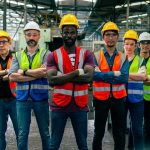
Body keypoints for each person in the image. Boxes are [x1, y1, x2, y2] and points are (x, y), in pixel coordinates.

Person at [47, 14, 94, 150]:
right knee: (54, 144)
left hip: (80, 106)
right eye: (66, 32)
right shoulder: (53, 55)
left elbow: (89, 77)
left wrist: (61, 76)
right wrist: (76, 72)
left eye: (72, 32)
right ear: (61, 33)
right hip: (59, 106)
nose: (69, 35)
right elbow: (51, 80)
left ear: (76, 34)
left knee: (83, 145)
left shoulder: (86, 54)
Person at [9, 21, 50, 150]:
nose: (31, 37)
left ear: (39, 36)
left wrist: (24, 72)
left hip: (41, 99)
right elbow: (11, 76)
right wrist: (37, 73)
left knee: (45, 133)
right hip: (22, 100)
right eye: (28, 34)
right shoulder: (18, 55)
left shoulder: (46, 54)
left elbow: (46, 73)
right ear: (24, 36)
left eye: (34, 35)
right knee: (22, 134)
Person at [92, 21, 129, 150]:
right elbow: (94, 76)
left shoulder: (124, 57)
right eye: (108, 34)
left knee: (119, 132)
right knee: (99, 132)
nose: (111, 37)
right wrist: (114, 74)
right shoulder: (95, 56)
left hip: (118, 99)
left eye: (113, 34)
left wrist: (104, 75)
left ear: (117, 37)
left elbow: (124, 77)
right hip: (100, 99)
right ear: (103, 37)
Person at [123, 30, 147, 150]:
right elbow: (112, 76)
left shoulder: (141, 60)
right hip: (121, 98)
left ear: (136, 46)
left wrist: (123, 75)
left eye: (132, 44)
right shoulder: (119, 59)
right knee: (121, 130)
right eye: (127, 43)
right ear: (123, 44)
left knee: (137, 130)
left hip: (137, 101)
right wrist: (135, 75)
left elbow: (143, 77)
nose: (129, 47)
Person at [0, 30, 18, 150]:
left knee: (19, 131)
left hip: (15, 100)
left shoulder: (16, 57)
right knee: (0, 132)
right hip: (0, 101)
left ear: (9, 43)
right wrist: (7, 71)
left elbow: (19, 72)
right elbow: (13, 72)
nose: (1, 45)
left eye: (4, 42)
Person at [139, 32, 150, 150]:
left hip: (149, 100)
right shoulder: (136, 60)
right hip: (137, 99)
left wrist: (139, 78)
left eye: (148, 43)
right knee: (136, 126)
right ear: (139, 45)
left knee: (147, 127)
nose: (145, 45)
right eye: (143, 43)